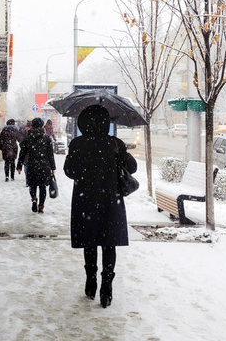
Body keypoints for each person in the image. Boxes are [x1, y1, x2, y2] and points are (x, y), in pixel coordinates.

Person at [63, 105, 137, 308]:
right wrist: (121, 153)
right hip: (110, 201)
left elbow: (69, 171)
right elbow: (132, 168)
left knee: (90, 242)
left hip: (85, 200)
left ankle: (91, 280)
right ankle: (107, 287)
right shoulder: (115, 143)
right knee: (108, 243)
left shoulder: (77, 144)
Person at [16, 117, 56, 213]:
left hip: (32, 165)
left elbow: (22, 152)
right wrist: (53, 167)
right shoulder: (46, 138)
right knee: (42, 187)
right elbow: (50, 154)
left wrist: (19, 166)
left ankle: (34, 199)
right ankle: (41, 206)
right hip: (44, 165)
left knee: (32, 185)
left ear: (32, 125)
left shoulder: (28, 137)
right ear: (42, 125)